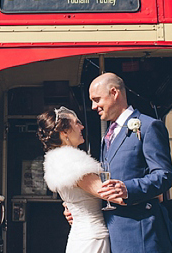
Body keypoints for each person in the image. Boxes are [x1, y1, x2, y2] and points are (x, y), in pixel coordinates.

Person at [90, 72, 172, 253]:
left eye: (97, 99)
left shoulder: (149, 126)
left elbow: (164, 176)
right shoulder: (107, 136)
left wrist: (127, 188)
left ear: (114, 93)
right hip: (114, 233)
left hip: (141, 234)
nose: (93, 106)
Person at [37, 106, 122, 253]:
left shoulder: (57, 160)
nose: (81, 126)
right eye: (76, 123)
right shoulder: (74, 162)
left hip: (80, 236)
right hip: (93, 238)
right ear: (64, 133)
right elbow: (108, 193)